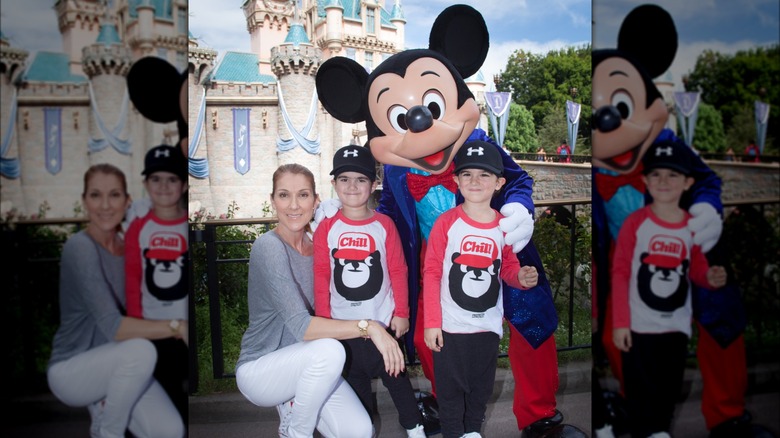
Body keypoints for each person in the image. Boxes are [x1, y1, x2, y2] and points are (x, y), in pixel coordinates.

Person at [235, 163, 407, 438]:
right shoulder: (268, 246)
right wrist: (371, 327)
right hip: (262, 368)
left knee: (360, 430)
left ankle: (296, 402)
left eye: (303, 195)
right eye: (283, 195)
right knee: (331, 351)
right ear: (272, 201)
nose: (293, 205)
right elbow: (302, 327)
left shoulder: (319, 243)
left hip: (311, 364)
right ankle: (296, 431)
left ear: (316, 201)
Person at [47, 163, 186, 438]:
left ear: (127, 200)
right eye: (96, 195)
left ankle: (107, 406)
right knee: (141, 350)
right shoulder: (79, 247)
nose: (105, 205)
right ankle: (107, 431)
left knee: (170, 429)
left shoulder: (129, 246)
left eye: (114, 195)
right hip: (72, 369)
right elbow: (113, 326)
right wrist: (177, 327)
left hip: (120, 364)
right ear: (84, 201)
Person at [611, 141, 728, 438]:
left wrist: (709, 276)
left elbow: (696, 269)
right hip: (638, 327)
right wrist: (621, 323)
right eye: (657, 175)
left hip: (675, 327)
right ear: (645, 180)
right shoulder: (634, 224)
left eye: (672, 175)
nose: (663, 182)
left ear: (688, 182)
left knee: (669, 387)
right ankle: (648, 430)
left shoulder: (692, 227)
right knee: (639, 389)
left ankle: (660, 430)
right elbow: (621, 273)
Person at [423, 142, 539, 438]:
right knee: (449, 394)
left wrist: (520, 276)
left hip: (487, 328)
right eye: (468, 174)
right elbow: (433, 272)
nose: (475, 181)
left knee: (480, 389)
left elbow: (508, 268)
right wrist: (432, 323)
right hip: (450, 328)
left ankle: (472, 431)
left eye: (484, 175)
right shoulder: (445, 223)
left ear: (499, 183)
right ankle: (453, 433)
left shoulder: (503, 227)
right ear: (456, 180)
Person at [313, 145, 425, 437]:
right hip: (343, 329)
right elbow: (322, 275)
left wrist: (402, 313)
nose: (352, 186)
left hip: (383, 325)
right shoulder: (326, 229)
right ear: (334, 184)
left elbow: (399, 271)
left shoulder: (384, 225)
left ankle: (415, 429)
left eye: (361, 179)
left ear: (374, 184)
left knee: (399, 384)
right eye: (344, 179)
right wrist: (325, 322)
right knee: (358, 393)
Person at [125, 145, 189, 422]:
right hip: (154, 332)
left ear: (184, 184)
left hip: (186, 334)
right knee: (163, 398)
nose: (163, 186)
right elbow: (132, 282)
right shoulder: (138, 228)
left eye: (172, 179)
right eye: (156, 179)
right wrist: (140, 330)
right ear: (145, 184)